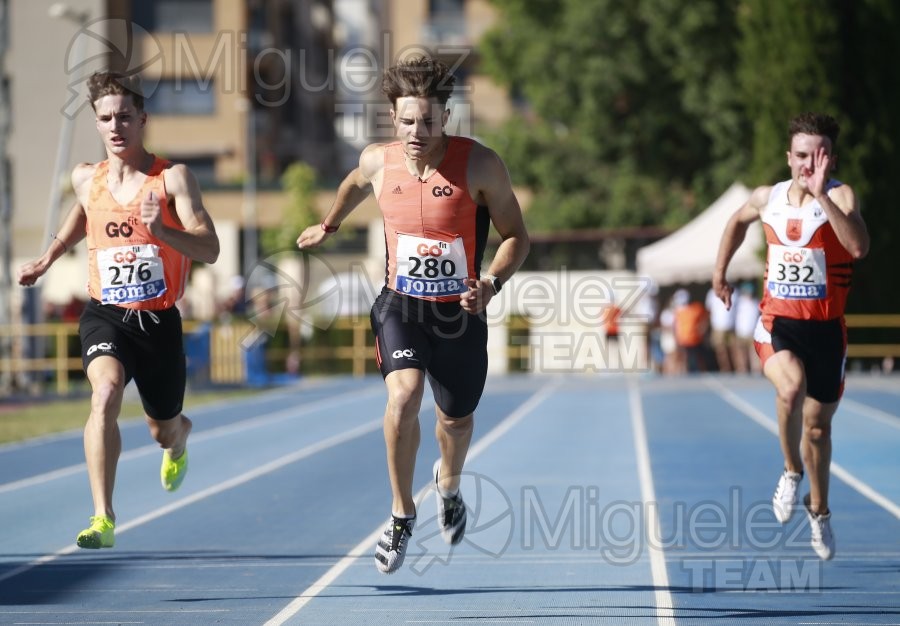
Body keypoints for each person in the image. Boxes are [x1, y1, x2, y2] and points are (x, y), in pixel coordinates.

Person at [296, 56, 530, 574]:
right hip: (400, 304)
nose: (417, 132)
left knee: (457, 418)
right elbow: (355, 183)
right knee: (403, 397)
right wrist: (329, 225)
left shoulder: (481, 165)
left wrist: (490, 282)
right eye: (406, 122)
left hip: (460, 314)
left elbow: (517, 236)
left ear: (446, 116)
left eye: (428, 121)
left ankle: (448, 484)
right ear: (392, 119)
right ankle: (402, 514)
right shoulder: (380, 161)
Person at [18, 71, 220, 549]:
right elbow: (82, 213)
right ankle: (102, 517)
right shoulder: (87, 178)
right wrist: (47, 258)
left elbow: (209, 248)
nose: (115, 126)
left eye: (124, 116)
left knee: (162, 429)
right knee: (104, 394)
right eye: (105, 118)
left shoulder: (172, 179)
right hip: (106, 314)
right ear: (96, 122)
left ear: (142, 119)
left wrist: (163, 232)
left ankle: (179, 437)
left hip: (159, 322)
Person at [713, 112, 869, 560]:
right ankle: (789, 470)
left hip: (826, 332)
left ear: (830, 159)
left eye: (817, 156)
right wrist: (719, 273)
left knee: (818, 429)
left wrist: (823, 195)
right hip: (778, 325)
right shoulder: (768, 197)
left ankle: (819, 512)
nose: (807, 164)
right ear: (788, 157)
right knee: (790, 391)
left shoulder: (840, 195)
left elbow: (858, 247)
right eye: (801, 155)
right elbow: (735, 223)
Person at [705, 285, 737, 372]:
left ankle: (736, 368)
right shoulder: (711, 293)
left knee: (733, 349)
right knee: (721, 351)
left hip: (731, 326)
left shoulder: (734, 292)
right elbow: (709, 310)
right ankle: (726, 369)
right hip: (718, 326)